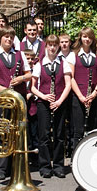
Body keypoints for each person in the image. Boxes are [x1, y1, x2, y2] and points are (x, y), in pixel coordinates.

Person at [0, 26, 32, 180]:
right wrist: (3, 89)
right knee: (2, 131)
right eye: (6, 37)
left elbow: (29, 74)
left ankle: (14, 166)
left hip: (18, 100)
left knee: (16, 132)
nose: (9, 40)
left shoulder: (20, 55)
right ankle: (0, 168)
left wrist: (21, 79)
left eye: (11, 37)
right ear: (0, 38)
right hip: (2, 100)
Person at [31, 34, 72, 178]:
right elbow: (33, 87)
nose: (53, 48)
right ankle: (45, 166)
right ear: (46, 46)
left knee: (60, 135)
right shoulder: (39, 64)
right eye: (50, 45)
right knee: (44, 136)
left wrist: (59, 101)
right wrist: (44, 96)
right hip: (43, 103)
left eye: (55, 45)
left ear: (58, 47)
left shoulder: (64, 63)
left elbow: (68, 85)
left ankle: (59, 166)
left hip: (59, 103)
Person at [69, 27, 97, 152]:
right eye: (85, 36)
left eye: (89, 37)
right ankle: (76, 158)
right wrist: (80, 96)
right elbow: (71, 78)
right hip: (78, 97)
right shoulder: (73, 55)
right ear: (80, 37)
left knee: (92, 129)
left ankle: (90, 156)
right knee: (78, 131)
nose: (87, 39)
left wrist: (94, 93)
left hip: (93, 98)